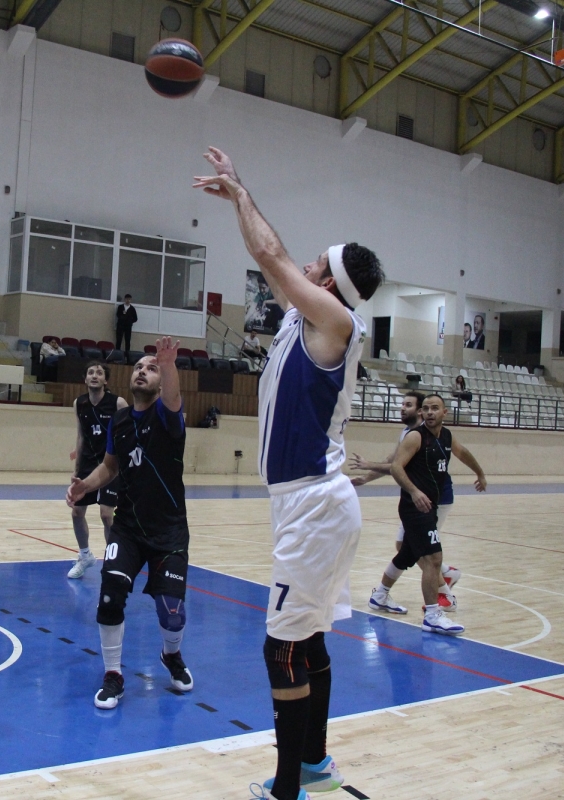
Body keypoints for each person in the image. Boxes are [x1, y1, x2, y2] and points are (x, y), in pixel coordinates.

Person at [195, 146, 384, 800]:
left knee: (282, 648)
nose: (303, 265)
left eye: (316, 264)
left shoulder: (337, 322)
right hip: (312, 505)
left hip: (315, 507)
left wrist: (241, 191)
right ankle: (315, 766)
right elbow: (272, 258)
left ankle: (285, 790)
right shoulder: (307, 316)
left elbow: (271, 256)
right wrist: (240, 202)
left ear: (328, 283)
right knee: (309, 639)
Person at [67, 337, 193, 709]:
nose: (142, 371)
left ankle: (171, 654)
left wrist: (167, 365)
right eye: (138, 367)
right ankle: (113, 675)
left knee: (171, 612)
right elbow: (110, 466)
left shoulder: (168, 416)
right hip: (128, 528)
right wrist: (85, 485)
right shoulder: (120, 421)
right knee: (110, 596)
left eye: (151, 369)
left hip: (169, 531)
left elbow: (173, 396)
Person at [368, 394, 487, 636]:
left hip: (430, 506)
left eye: (434, 408)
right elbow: (396, 467)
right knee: (434, 558)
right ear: (421, 413)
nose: (430, 412)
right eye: (425, 409)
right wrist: (414, 491)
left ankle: (380, 595)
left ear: (445, 412)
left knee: (407, 554)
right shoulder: (415, 437)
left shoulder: (447, 436)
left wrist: (480, 473)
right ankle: (433, 615)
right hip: (415, 507)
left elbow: (463, 452)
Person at [350, 391, 460, 611]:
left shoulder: (426, 435)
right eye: (402, 404)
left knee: (425, 552)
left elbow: (396, 467)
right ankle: (442, 576)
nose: (402, 408)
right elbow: (393, 463)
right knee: (408, 547)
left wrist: (369, 466)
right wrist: (367, 477)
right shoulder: (408, 433)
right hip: (417, 499)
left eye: (408, 405)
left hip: (434, 499)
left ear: (419, 411)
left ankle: (443, 593)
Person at [67, 360, 128, 579]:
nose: (95, 375)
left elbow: (129, 434)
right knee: (76, 512)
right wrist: (76, 470)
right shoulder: (79, 403)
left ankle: (113, 561)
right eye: (91, 372)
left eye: (99, 373)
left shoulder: (118, 403)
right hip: (87, 464)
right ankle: (85, 556)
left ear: (106, 380)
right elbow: (81, 436)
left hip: (110, 464)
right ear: (85, 379)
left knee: (106, 515)